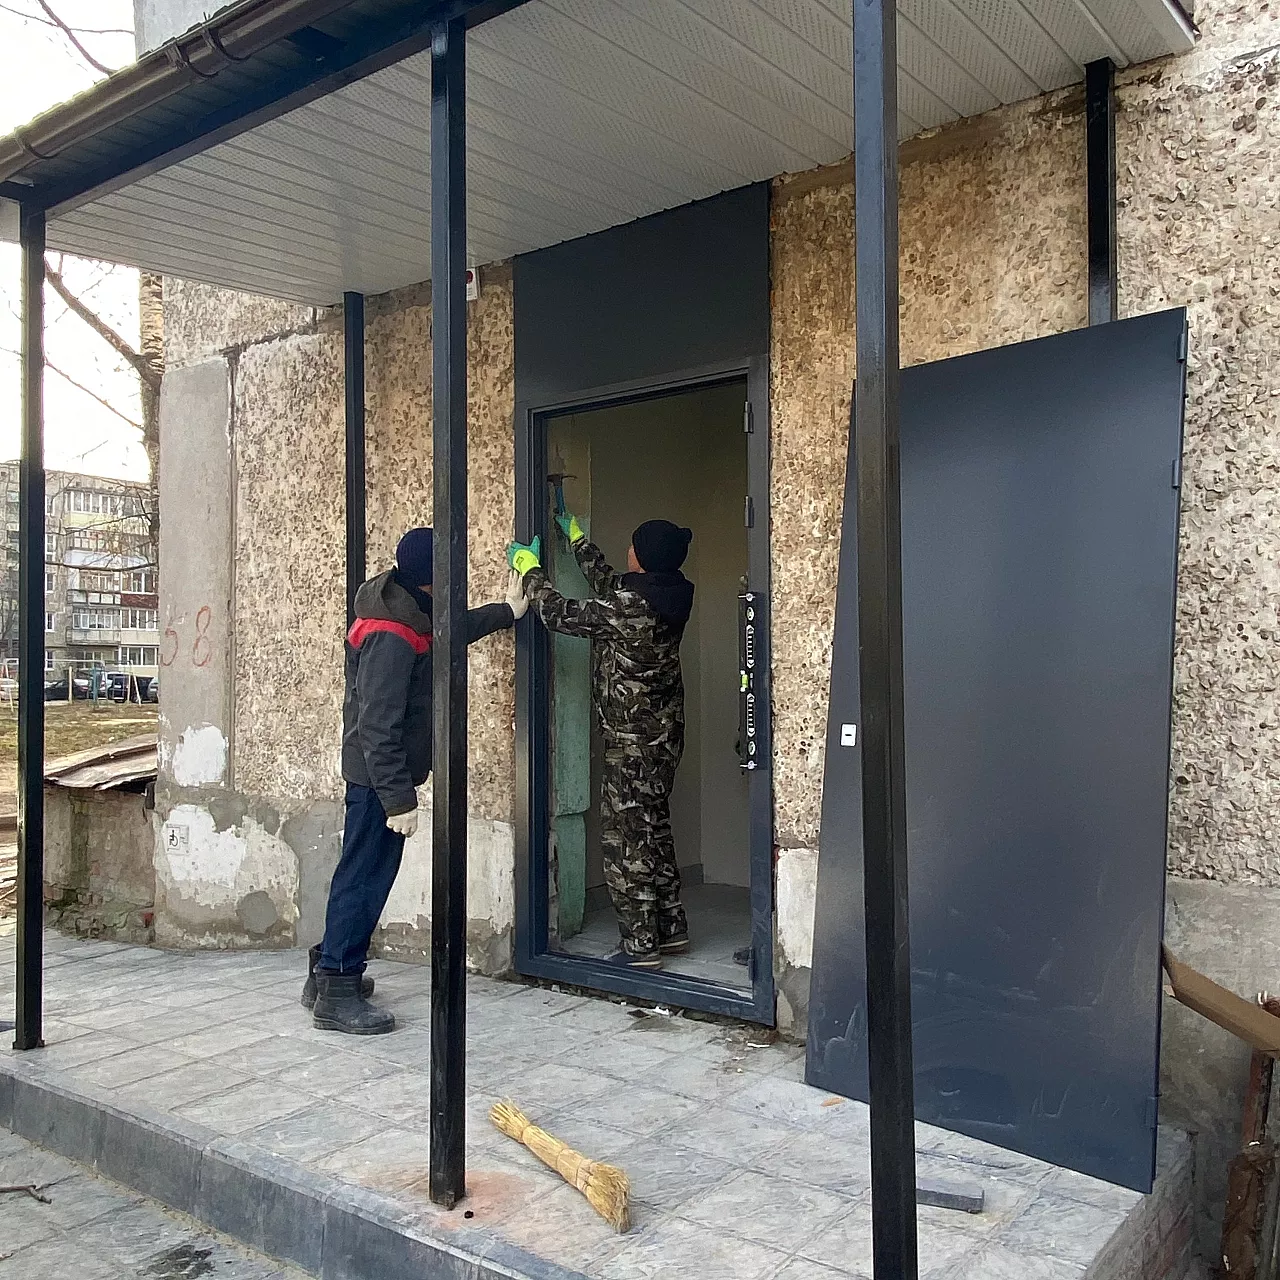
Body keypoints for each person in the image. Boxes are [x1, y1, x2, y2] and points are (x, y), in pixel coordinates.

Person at [305, 527, 528, 1034]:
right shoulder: (392, 633)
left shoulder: (407, 608)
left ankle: (327, 971)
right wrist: (397, 800)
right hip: (378, 781)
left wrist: (505, 612)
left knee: (359, 873)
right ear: (434, 576)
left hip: (379, 778)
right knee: (365, 878)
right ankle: (337, 987)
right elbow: (376, 725)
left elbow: (446, 631)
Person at [509, 515, 694, 970]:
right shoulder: (665, 594)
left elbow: (560, 613)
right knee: (654, 830)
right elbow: (612, 584)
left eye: (633, 546)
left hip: (632, 746)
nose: (628, 552)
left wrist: (531, 572)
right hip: (663, 739)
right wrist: (578, 542)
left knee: (626, 842)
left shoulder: (632, 607)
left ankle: (640, 946)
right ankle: (671, 929)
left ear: (644, 557)